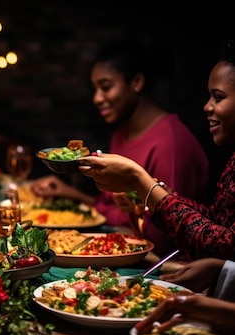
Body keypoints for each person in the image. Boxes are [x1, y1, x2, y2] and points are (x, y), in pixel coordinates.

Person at [30, 38, 209, 257]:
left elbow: (163, 239)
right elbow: (113, 210)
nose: (97, 98)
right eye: (94, 89)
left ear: (137, 82)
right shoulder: (121, 136)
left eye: (106, 87)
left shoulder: (171, 144)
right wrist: (71, 194)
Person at [79, 39, 235, 262]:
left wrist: (139, 181)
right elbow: (215, 223)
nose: (207, 106)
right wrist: (142, 197)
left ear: (137, 82)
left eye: (218, 97)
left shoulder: (172, 143)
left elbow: (213, 244)